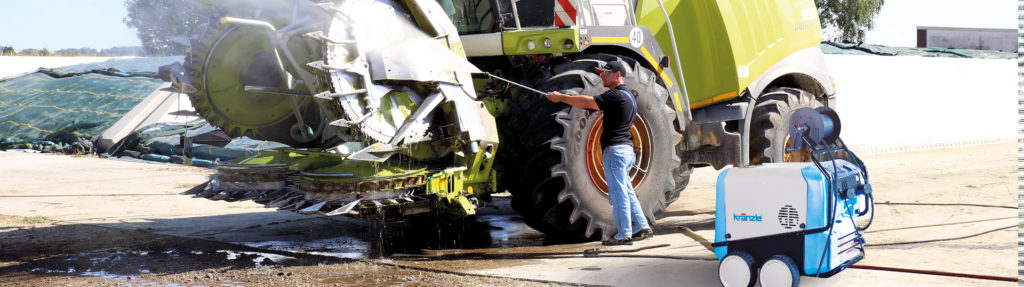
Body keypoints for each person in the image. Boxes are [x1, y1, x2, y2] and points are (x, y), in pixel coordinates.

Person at [545, 60, 654, 246]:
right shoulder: (628, 96)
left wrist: (561, 97)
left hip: (615, 152)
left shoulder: (615, 95)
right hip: (626, 151)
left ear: (617, 75)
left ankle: (624, 234)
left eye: (606, 73)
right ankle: (642, 226)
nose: (602, 76)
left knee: (618, 193)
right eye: (601, 73)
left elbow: (587, 102)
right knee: (626, 190)